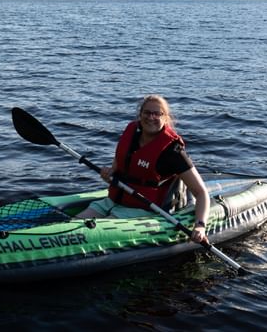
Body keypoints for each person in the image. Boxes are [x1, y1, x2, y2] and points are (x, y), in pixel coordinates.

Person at [77, 94, 210, 244]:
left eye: (157, 113)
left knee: (89, 233)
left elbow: (201, 193)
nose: (150, 117)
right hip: (113, 200)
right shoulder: (132, 133)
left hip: (143, 208)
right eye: (146, 112)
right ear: (140, 114)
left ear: (165, 117)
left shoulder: (173, 151)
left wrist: (200, 226)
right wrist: (110, 172)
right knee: (74, 224)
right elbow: (119, 163)